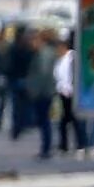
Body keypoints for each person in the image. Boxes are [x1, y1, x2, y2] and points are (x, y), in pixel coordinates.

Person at [28, 29, 63, 159]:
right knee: (44, 121)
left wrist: (35, 91)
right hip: (45, 91)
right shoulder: (45, 52)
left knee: (44, 121)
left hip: (43, 92)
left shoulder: (44, 54)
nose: (31, 44)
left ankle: (46, 149)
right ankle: (45, 148)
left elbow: (43, 74)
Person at [54, 32, 89, 158]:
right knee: (64, 121)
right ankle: (64, 146)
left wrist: (72, 88)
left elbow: (74, 75)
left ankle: (81, 145)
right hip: (62, 94)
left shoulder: (72, 57)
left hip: (73, 94)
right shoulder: (59, 60)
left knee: (76, 121)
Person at [5, 27, 38, 140]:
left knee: (16, 106)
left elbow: (9, 64)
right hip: (24, 79)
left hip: (15, 79)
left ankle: (16, 128)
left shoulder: (13, 48)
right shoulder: (27, 49)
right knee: (24, 105)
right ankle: (22, 125)